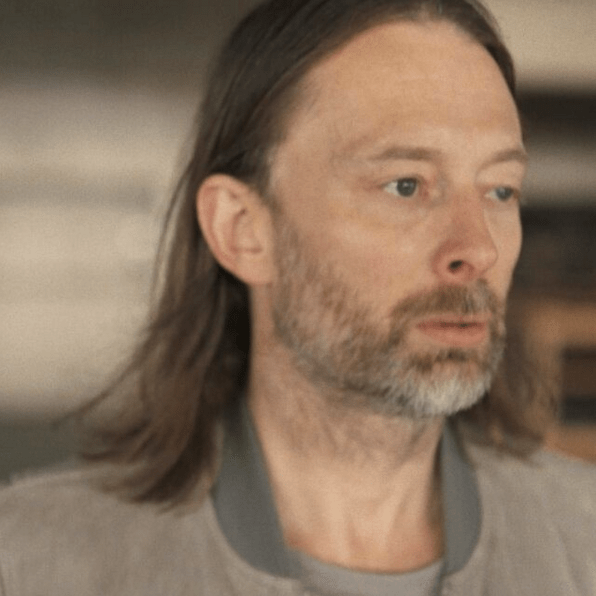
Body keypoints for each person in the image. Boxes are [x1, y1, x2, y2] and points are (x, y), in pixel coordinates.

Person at [0, 0, 595, 594]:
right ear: (242, 230)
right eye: (405, 185)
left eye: (501, 190)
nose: (479, 248)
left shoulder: (583, 538)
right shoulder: (34, 562)